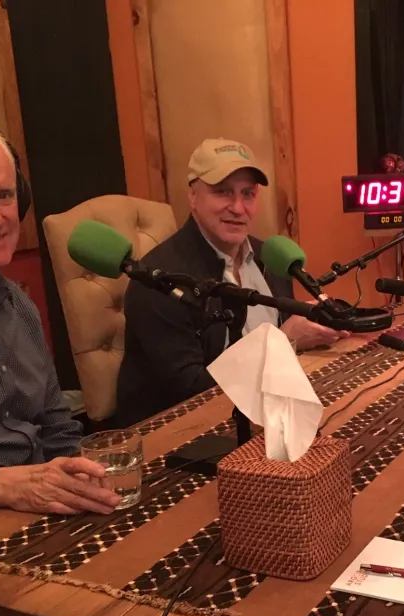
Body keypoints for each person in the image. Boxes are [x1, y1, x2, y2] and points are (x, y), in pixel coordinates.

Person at [116, 138, 349, 426]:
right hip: (181, 437)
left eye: (248, 194)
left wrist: (313, 330)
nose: (238, 208)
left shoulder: (269, 257)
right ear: (192, 196)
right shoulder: (159, 281)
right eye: (223, 192)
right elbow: (193, 394)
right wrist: (285, 340)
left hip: (263, 414)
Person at [0, 115, 120, 516]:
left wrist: (80, 475)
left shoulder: (19, 306)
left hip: (39, 516)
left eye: (5, 195)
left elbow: (58, 426)